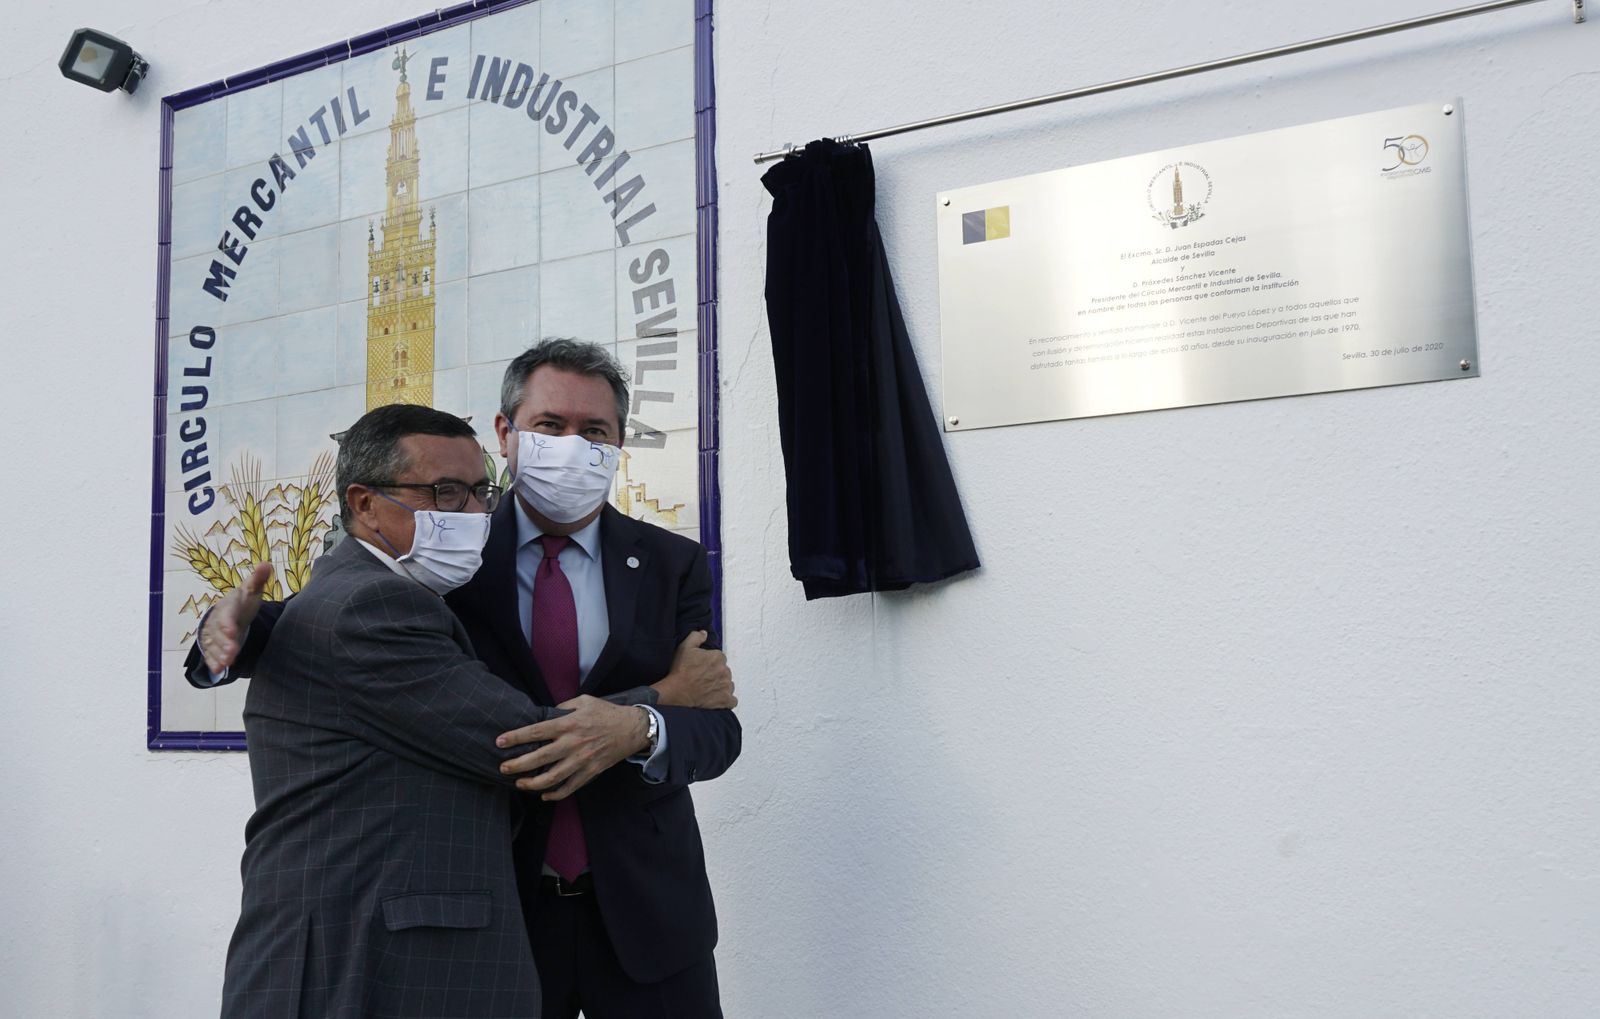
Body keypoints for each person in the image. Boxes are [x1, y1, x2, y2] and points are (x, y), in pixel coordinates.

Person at [192, 339, 740, 1018]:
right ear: (506, 433)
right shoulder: (449, 546)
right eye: (550, 425)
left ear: (620, 440)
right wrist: (226, 630)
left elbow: (715, 721)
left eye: (594, 430)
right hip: (500, 910)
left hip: (649, 916)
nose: (573, 444)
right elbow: (339, 618)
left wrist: (653, 724)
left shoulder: (670, 563)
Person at [221, 403, 643, 1017]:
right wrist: (666, 699)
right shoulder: (374, 607)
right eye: (444, 493)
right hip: (364, 969)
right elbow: (527, 744)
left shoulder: (375, 593)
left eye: (480, 492)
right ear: (363, 504)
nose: (473, 514)